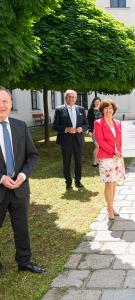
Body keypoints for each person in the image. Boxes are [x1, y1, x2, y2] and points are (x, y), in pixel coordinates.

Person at [0, 86, 45, 273]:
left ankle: (24, 261)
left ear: (11, 103)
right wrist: (1, 178)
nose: (1, 105)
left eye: (4, 101)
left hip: (20, 188)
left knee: (22, 227)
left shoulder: (20, 126)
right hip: (0, 186)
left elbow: (32, 156)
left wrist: (23, 175)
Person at [94, 99, 125, 220]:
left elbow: (122, 138)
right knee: (109, 183)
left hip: (117, 157)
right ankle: (109, 209)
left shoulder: (118, 122)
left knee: (114, 182)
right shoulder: (98, 123)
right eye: (105, 108)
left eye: (110, 108)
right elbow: (100, 141)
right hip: (106, 157)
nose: (108, 110)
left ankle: (112, 206)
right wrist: (113, 151)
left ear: (114, 109)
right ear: (102, 110)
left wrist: (120, 151)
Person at [52, 90, 88, 190]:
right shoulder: (59, 109)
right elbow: (54, 126)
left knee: (78, 161)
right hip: (66, 140)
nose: (71, 99)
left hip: (78, 139)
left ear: (76, 98)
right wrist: (65, 129)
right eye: (69, 97)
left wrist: (82, 128)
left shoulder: (81, 109)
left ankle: (78, 181)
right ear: (65, 98)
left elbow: (86, 124)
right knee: (66, 161)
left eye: (73, 97)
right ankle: (68, 182)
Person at [87, 97, 102, 167]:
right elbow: (89, 122)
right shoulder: (90, 111)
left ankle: (98, 161)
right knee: (97, 146)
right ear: (93, 103)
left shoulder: (103, 110)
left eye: (98, 101)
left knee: (101, 146)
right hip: (94, 131)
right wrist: (89, 131)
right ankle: (94, 162)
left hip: (102, 130)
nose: (97, 103)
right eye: (96, 101)